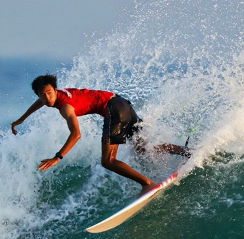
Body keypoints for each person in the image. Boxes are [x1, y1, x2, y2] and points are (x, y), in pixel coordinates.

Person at [11, 74, 187, 197]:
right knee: (142, 147)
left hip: (113, 110)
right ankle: (185, 151)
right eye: (42, 95)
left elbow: (76, 134)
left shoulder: (65, 107)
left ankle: (147, 184)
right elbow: (41, 102)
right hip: (122, 103)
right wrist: (21, 119)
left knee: (108, 161)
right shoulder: (56, 94)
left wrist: (58, 157)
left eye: (49, 93)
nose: (47, 98)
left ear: (55, 90)